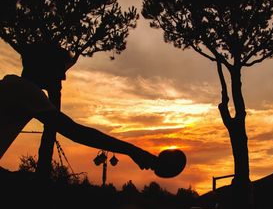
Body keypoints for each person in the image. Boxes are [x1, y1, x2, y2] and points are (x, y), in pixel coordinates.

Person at [0, 43, 157, 171]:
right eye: (60, 69)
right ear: (45, 66)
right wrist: (133, 151)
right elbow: (76, 132)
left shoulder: (13, 86)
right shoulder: (25, 90)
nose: (63, 77)